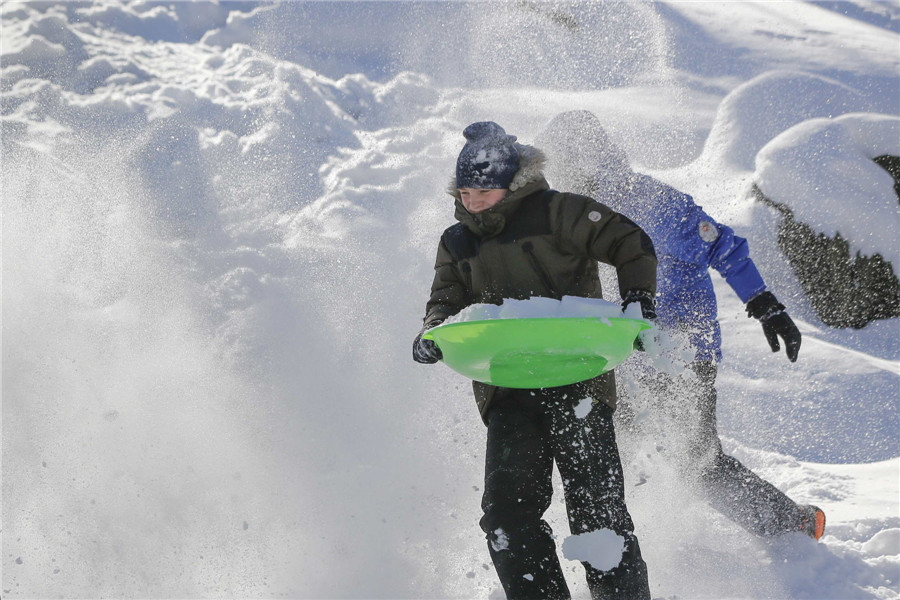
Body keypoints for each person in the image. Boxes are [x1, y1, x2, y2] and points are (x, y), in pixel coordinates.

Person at [536, 110, 825, 541]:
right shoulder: (567, 215)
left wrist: (765, 305)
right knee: (610, 449)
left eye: (563, 163)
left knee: (697, 462)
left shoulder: (648, 202)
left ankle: (792, 526)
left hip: (680, 353)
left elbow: (721, 245)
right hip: (620, 358)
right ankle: (628, 543)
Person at [413, 121, 658, 600]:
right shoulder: (457, 240)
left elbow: (629, 242)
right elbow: (445, 297)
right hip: (507, 389)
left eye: (483, 192)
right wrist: (432, 330)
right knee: (506, 519)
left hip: (580, 380)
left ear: (511, 184)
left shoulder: (560, 211)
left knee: (599, 516)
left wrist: (639, 301)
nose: (472, 202)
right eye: (464, 193)